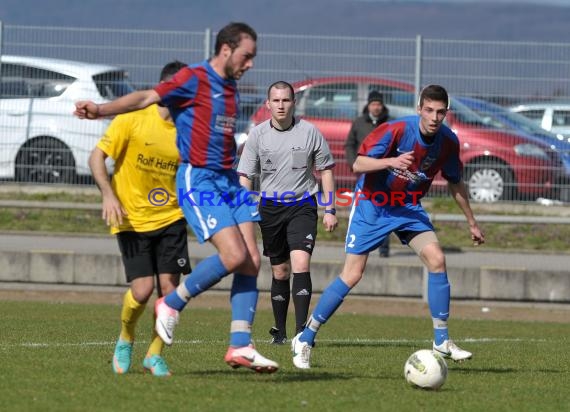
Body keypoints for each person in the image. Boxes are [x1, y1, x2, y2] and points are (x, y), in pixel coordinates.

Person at [75, 22, 279, 374]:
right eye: (247, 56)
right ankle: (171, 303)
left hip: (229, 180)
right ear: (226, 50)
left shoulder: (231, 88)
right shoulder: (194, 77)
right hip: (199, 178)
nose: (251, 64)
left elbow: (220, 133)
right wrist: (101, 108)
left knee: (251, 262)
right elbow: (146, 98)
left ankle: (240, 345)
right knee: (232, 255)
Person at [290, 85, 485, 369]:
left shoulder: (448, 142)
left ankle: (441, 341)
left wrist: (472, 222)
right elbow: (358, 163)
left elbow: (455, 181)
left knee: (437, 259)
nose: (433, 117)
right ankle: (305, 338)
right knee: (352, 274)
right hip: (373, 204)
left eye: (440, 112)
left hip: (406, 207)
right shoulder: (394, 130)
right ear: (419, 109)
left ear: (446, 113)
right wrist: (392, 161)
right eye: (428, 110)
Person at [89, 60, 191, 377]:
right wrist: (108, 194)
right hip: (132, 218)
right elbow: (96, 157)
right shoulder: (132, 118)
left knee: (170, 292)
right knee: (142, 291)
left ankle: (154, 354)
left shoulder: (187, 130)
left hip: (172, 218)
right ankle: (126, 338)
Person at [237, 81, 338, 345]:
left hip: (302, 205)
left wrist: (330, 208)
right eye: (276, 101)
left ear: (293, 103)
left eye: (286, 100)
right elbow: (245, 175)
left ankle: (302, 334)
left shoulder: (310, 132)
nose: (281, 105)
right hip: (270, 207)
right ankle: (280, 333)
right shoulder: (258, 135)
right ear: (268, 104)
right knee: (280, 271)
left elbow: (326, 169)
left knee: (301, 264)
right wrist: (242, 209)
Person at [345, 90, 391, 257]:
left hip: (384, 174)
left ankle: (384, 249)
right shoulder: (359, 123)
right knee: (360, 209)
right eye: (373, 104)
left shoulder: (390, 123)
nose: (376, 107)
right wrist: (353, 164)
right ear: (368, 105)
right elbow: (349, 145)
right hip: (363, 173)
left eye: (379, 104)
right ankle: (357, 245)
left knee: (383, 210)